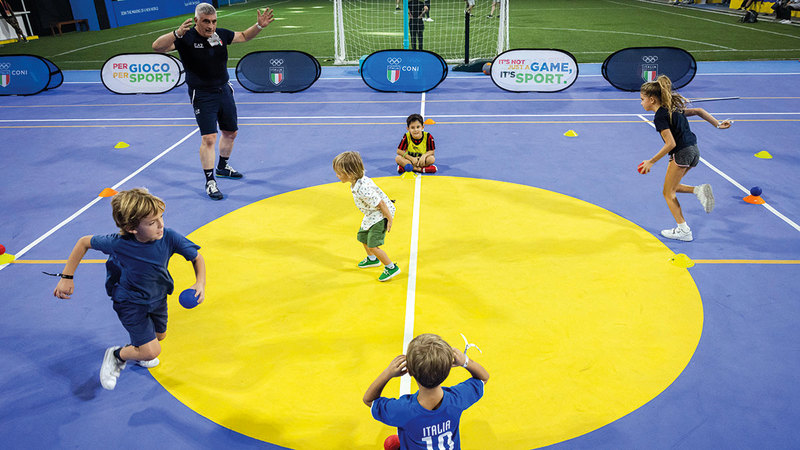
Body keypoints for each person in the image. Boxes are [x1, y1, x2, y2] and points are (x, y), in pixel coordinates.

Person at [52, 188, 206, 390]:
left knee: (160, 336)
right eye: (152, 222)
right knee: (152, 351)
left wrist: (200, 283)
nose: (161, 225)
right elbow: (83, 243)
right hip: (129, 301)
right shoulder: (118, 243)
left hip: (158, 298)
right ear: (132, 228)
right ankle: (117, 355)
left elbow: (196, 257)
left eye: (161, 217)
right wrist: (66, 277)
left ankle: (139, 350)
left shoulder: (168, 237)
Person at [152, 3, 274, 201]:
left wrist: (259, 26)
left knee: (231, 132)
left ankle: (223, 167)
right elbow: (157, 47)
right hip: (202, 94)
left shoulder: (220, 34)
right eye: (206, 22)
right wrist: (176, 33)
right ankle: (210, 181)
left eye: (214, 21)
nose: (211, 26)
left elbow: (244, 36)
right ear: (197, 20)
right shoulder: (185, 37)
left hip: (224, 90)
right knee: (209, 138)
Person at [638, 75, 732, 242]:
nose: (641, 103)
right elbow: (698, 111)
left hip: (682, 152)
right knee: (672, 187)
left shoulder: (660, 116)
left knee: (668, 193)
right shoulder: (672, 108)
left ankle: (684, 231)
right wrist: (717, 124)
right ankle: (698, 190)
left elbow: (670, 143)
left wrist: (651, 161)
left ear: (652, 99)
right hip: (693, 150)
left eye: (642, 99)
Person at [363, 333, 490, 449]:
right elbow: (483, 378)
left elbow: (369, 400)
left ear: (410, 371)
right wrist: (465, 361)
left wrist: (387, 373)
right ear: (448, 370)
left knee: (391, 443)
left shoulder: (402, 409)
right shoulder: (457, 398)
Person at [333, 151, 401, 282]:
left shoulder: (363, 189)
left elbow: (381, 203)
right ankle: (372, 259)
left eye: (339, 173)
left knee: (372, 245)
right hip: (372, 213)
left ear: (350, 174)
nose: (337, 175)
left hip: (380, 214)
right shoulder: (357, 181)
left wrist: (389, 219)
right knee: (363, 236)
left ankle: (391, 267)